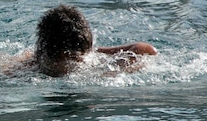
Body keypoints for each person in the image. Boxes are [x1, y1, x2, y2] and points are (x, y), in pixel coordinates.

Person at [17, 4, 157, 77]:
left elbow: (146, 49)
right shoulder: (28, 67)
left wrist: (114, 71)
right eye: (83, 55)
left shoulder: (93, 58)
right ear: (66, 55)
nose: (85, 58)